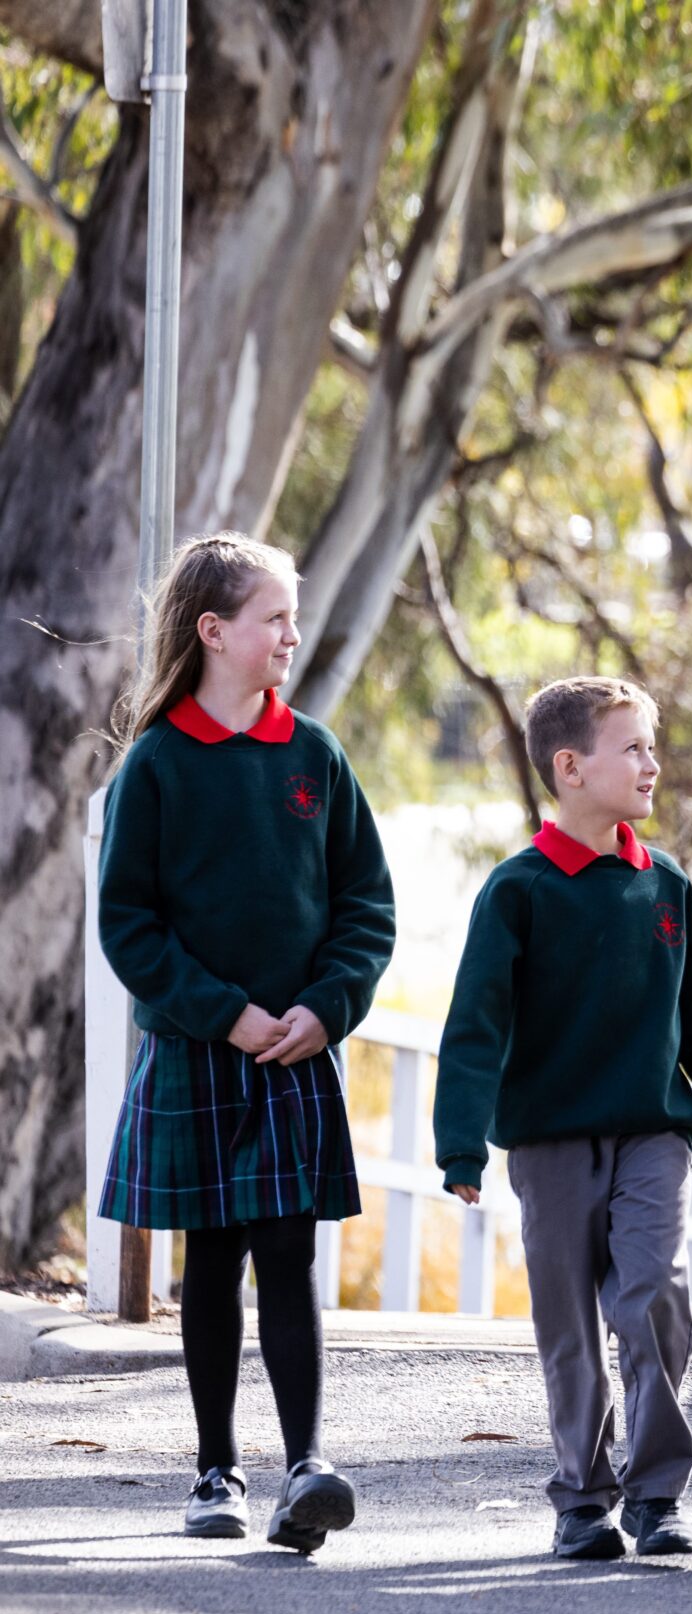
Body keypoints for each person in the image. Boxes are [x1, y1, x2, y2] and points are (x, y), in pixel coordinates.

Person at [96, 532, 396, 1552]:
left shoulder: (315, 754)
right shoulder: (158, 764)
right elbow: (128, 922)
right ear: (215, 631)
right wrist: (222, 1010)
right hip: (199, 1049)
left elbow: (366, 902)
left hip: (297, 1052)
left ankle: (306, 1464)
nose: (291, 634)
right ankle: (214, 1468)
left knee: (290, 1255)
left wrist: (328, 1004)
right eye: (274, 616)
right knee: (213, 1260)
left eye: (294, 615)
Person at [433, 676, 692, 1561]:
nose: (653, 763)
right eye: (635, 748)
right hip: (549, 1144)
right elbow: (475, 1026)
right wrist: (460, 1141)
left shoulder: (668, 888)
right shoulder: (518, 892)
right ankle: (582, 1498)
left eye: (652, 746)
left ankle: (655, 1495)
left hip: (655, 1130)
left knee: (655, 1298)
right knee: (569, 1321)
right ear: (571, 768)